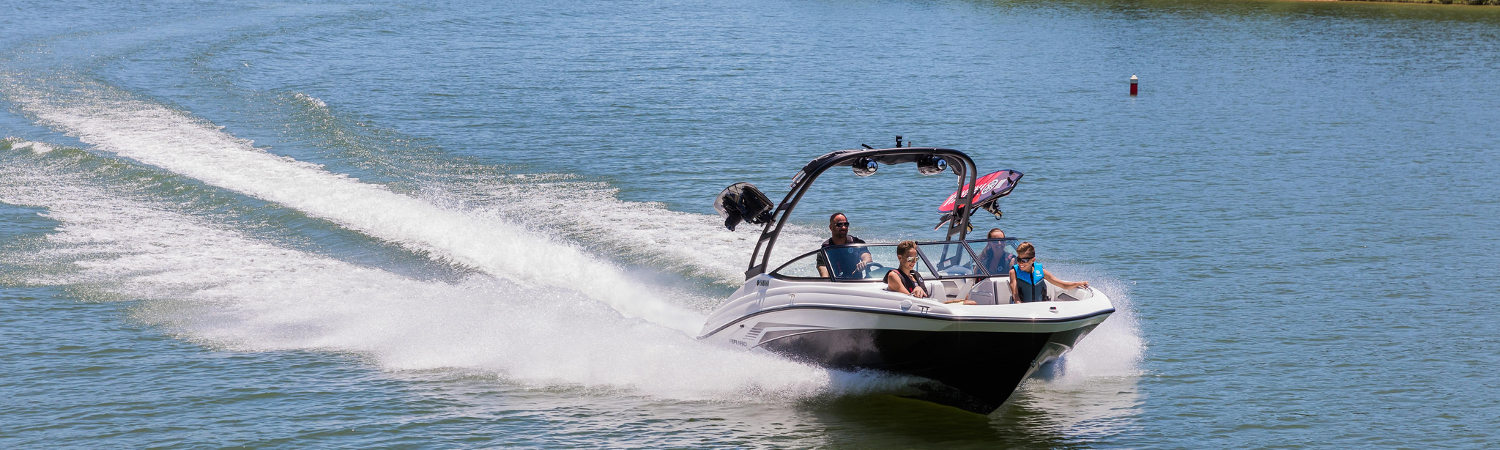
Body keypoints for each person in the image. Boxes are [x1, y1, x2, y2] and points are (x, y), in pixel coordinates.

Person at [886, 241, 977, 304]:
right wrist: (916, 290)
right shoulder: (893, 276)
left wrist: (956, 302)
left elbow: (927, 300)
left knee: (969, 303)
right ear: (900, 258)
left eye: (916, 259)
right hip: (915, 309)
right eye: (910, 259)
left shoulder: (915, 275)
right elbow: (908, 299)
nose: (914, 262)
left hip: (926, 307)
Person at [1008, 242, 1089, 303]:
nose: (1020, 263)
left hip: (1041, 309)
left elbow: (1062, 285)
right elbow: (1015, 296)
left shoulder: (1041, 271)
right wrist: (1021, 308)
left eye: (1024, 260)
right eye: (1018, 259)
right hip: (1022, 308)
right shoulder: (1014, 272)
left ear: (1033, 260)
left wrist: (1078, 283)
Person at [816, 212, 872, 278]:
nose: (843, 227)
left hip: (857, 283)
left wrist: (864, 262)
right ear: (831, 227)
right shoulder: (825, 249)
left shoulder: (856, 243)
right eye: (839, 225)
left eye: (846, 224)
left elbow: (867, 256)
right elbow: (824, 275)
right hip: (837, 284)